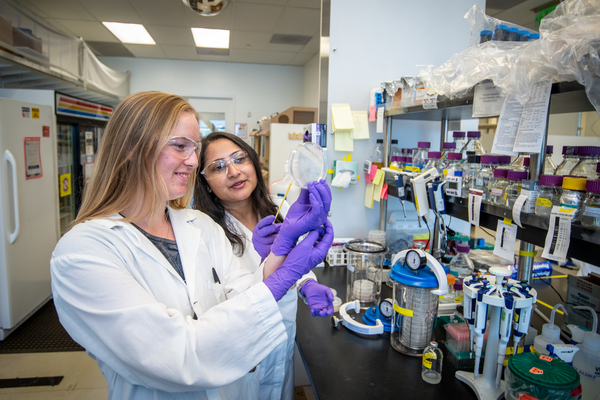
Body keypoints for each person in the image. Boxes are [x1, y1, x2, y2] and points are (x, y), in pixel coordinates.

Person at [50, 91, 333, 400]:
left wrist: (282, 253)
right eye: (180, 146)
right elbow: (176, 356)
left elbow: (245, 294)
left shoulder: (199, 226)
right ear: (132, 148)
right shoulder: (82, 253)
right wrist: (285, 270)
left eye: (194, 148)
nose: (193, 161)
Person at [193, 132, 334, 400]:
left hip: (281, 343)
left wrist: (307, 283)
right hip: (243, 359)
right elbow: (224, 305)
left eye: (239, 159)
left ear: (254, 164)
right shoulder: (204, 234)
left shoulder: (275, 210)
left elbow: (294, 260)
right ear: (207, 183)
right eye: (218, 167)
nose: (234, 171)